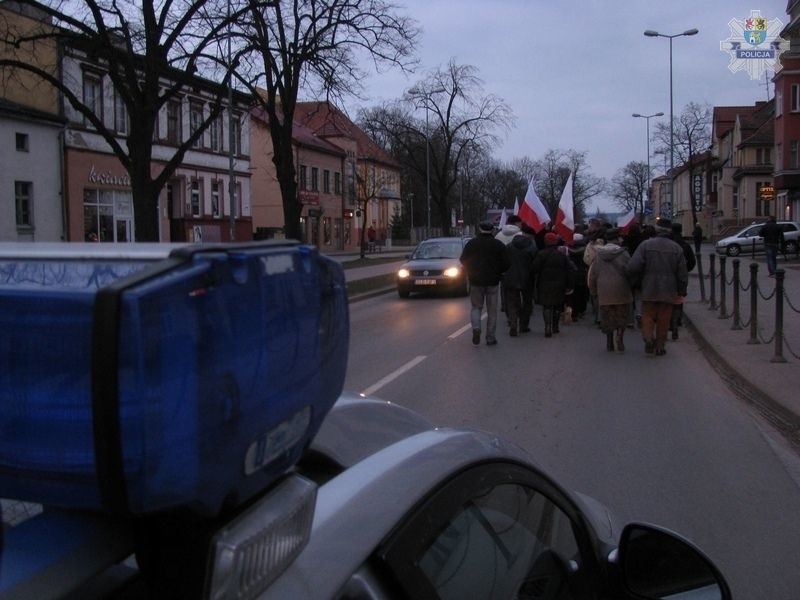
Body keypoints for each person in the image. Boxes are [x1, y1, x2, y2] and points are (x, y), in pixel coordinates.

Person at [625, 218, 688, 356]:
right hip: (669, 290)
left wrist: (635, 280)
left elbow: (632, 267)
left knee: (647, 315)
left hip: (649, 288)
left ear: (656, 230)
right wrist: (682, 290)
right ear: (670, 231)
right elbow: (682, 272)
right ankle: (660, 346)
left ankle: (648, 338)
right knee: (664, 319)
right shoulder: (676, 248)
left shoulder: (645, 245)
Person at [460, 221, 511, 346]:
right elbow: (507, 263)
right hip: (493, 281)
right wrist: (499, 271)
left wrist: (471, 270)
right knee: (492, 310)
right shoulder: (498, 245)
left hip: (476, 281)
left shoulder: (471, 244)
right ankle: (490, 337)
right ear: (492, 230)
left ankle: (476, 327)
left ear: (479, 229)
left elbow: (463, 260)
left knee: (476, 307)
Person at [588, 228, 632, 352]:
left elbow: (593, 274)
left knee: (607, 317)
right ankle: (619, 337)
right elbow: (630, 271)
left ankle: (609, 342)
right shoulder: (624, 254)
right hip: (621, 289)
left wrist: (593, 291)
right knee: (621, 315)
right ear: (617, 239)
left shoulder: (598, 254)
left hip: (604, 290)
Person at [532, 231, 575, 338]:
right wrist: (570, 285)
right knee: (557, 305)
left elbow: (534, 269)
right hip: (560, 284)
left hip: (544, 283)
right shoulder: (562, 255)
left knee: (547, 306)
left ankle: (547, 327)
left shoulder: (541, 254)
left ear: (545, 241)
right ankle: (555, 326)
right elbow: (570, 270)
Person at [502, 222, 538, 336]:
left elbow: (504, 262)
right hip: (527, 279)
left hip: (511, 278)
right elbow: (535, 264)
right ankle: (523, 325)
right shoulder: (532, 247)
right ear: (531, 236)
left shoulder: (509, 246)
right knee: (527, 302)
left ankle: (513, 323)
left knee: (512, 302)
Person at [669, 222, 697, 340]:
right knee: (678, 299)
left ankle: (669, 322)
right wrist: (686, 270)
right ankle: (677, 321)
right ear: (680, 230)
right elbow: (692, 261)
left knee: (668, 300)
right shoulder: (685, 244)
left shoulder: (669, 244)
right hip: (681, 276)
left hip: (668, 276)